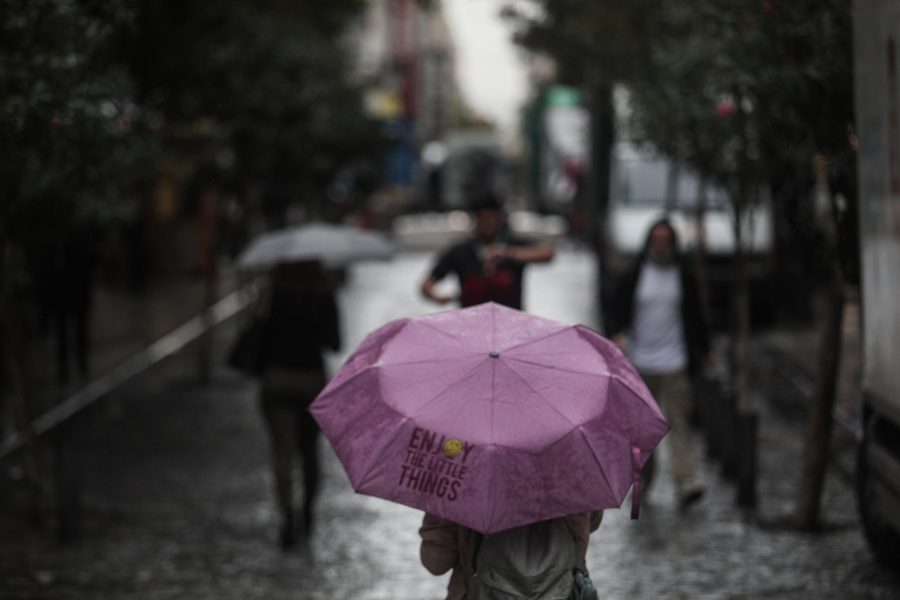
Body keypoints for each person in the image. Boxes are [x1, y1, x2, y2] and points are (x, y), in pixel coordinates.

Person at [606, 219, 712, 509]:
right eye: (657, 238)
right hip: (641, 362)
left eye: (666, 239)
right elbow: (615, 308)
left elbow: (695, 314)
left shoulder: (683, 276)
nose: (661, 244)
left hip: (675, 360)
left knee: (680, 421)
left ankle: (686, 480)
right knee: (643, 430)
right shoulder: (634, 274)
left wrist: (706, 349)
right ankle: (643, 481)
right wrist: (616, 335)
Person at [257, 260, 341, 547]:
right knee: (309, 451)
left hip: (277, 378)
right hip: (312, 381)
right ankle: (307, 511)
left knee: (282, 451)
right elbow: (335, 342)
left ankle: (286, 515)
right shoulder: (323, 292)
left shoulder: (274, 292)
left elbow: (258, 334)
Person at [419, 511, 603, 600]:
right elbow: (591, 524)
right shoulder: (577, 459)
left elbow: (436, 562)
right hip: (564, 592)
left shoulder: (465, 460)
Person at [421, 193, 555, 310]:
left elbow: (548, 253)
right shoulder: (460, 251)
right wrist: (440, 298)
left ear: (500, 219)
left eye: (491, 217)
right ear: (475, 220)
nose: (487, 223)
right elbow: (426, 285)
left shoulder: (513, 245)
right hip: (471, 325)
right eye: (483, 218)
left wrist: (509, 253)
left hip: (511, 325)